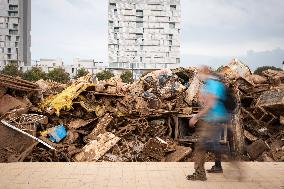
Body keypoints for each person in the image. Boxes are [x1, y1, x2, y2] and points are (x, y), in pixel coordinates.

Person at [186, 66, 230, 181]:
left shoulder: (212, 84)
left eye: (199, 73)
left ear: (205, 73)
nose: (199, 76)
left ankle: (200, 173)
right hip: (215, 118)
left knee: (201, 145)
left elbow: (210, 105)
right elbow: (207, 101)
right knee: (210, 144)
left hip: (214, 119)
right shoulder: (211, 84)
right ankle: (220, 161)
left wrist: (196, 116)